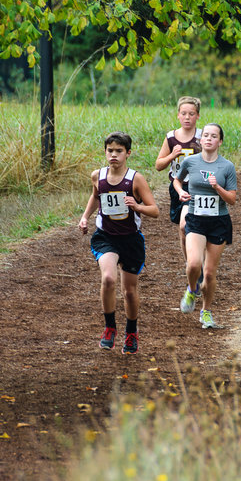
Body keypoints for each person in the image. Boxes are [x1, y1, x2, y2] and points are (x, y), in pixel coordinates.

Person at [79, 132, 159, 354]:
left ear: (128, 153)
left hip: (131, 240)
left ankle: (131, 332)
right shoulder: (98, 176)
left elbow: (155, 210)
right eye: (110, 151)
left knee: (130, 291)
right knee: (108, 278)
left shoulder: (136, 179)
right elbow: (96, 196)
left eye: (119, 151)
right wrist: (85, 216)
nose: (113, 155)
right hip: (106, 237)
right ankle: (109, 327)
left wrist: (138, 206)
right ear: (105, 152)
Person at [172, 123, 237, 329]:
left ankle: (206, 312)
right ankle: (192, 290)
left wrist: (217, 186)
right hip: (196, 218)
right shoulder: (190, 162)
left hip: (218, 221)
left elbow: (233, 199)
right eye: (206, 135)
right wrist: (181, 192)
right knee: (193, 265)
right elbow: (177, 180)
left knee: (209, 273)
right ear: (201, 140)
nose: (209, 139)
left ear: (220, 141)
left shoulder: (227, 167)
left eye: (214, 136)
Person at [154, 96, 203, 266]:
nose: (187, 117)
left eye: (191, 113)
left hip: (197, 187)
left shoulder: (202, 137)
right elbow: (158, 165)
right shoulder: (171, 138)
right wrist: (172, 155)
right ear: (178, 115)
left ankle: (195, 263)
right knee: (183, 231)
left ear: (198, 116)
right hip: (177, 186)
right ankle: (191, 265)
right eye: (184, 113)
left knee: (184, 225)